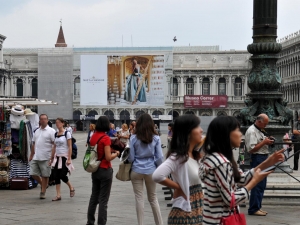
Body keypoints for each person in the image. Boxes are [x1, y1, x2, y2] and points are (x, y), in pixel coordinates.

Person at [199, 116, 284, 225]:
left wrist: (267, 163)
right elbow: (230, 200)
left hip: (215, 219)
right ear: (226, 134)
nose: (241, 134)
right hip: (220, 220)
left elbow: (241, 178)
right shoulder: (221, 163)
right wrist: (254, 182)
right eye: (238, 130)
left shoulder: (219, 157)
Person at [153, 114, 203, 225]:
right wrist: (178, 187)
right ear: (188, 132)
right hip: (184, 214)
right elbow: (157, 175)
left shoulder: (194, 155)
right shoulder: (179, 157)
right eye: (197, 127)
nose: (201, 130)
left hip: (197, 210)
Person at [128, 113, 164, 225]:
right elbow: (159, 157)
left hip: (136, 170)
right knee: (153, 198)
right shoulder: (156, 138)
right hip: (151, 170)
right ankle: (159, 223)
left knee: (139, 198)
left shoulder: (133, 137)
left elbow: (131, 157)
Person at [86, 116, 120, 225]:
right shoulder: (105, 138)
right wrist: (116, 153)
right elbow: (108, 157)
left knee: (94, 197)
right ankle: (101, 223)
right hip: (105, 169)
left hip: (95, 169)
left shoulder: (93, 137)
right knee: (103, 200)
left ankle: (90, 222)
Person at [245, 114, 276, 216]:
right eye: (265, 123)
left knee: (262, 184)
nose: (266, 126)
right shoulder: (252, 131)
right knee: (257, 184)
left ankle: (257, 206)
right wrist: (264, 142)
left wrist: (267, 140)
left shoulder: (259, 129)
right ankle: (253, 209)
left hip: (262, 157)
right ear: (259, 121)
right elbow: (251, 149)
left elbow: (260, 142)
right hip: (257, 158)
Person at [29, 114, 56, 199]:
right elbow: (34, 143)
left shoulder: (51, 131)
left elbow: (54, 144)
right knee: (33, 173)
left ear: (47, 120)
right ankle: (43, 184)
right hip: (36, 156)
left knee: (45, 175)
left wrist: (52, 156)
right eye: (41, 119)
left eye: (44, 119)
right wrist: (31, 155)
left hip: (46, 156)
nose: (43, 120)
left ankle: (43, 191)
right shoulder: (37, 131)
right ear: (39, 121)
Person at [50, 118, 75, 201]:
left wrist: (69, 158)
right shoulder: (55, 134)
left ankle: (71, 187)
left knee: (62, 175)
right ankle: (58, 195)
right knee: (56, 176)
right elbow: (54, 146)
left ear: (62, 123)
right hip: (57, 157)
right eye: (56, 122)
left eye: (58, 122)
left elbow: (70, 146)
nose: (57, 124)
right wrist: (52, 157)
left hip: (64, 157)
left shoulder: (67, 133)